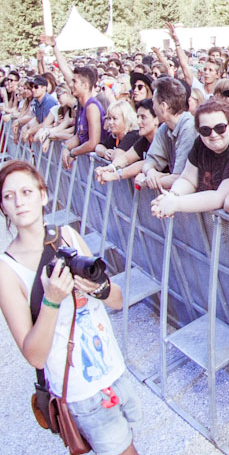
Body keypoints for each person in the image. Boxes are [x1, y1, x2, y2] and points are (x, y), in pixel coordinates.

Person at [0, 160, 141, 455]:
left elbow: (117, 299)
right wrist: (52, 299)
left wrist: (98, 288)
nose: (19, 201)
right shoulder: (7, 271)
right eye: (9, 196)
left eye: (26, 191)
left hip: (114, 370)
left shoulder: (68, 236)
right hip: (82, 391)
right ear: (3, 207)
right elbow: (35, 356)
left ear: (43, 195)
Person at [149, 98, 229, 219]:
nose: (213, 135)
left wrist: (175, 203)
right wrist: (172, 196)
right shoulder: (200, 143)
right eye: (205, 130)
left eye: (220, 128)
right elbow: (188, 179)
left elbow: (219, 197)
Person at [137, 77, 197, 193]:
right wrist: (151, 172)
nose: (153, 107)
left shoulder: (189, 128)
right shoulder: (164, 127)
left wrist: (145, 181)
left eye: (154, 103)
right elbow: (149, 162)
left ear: (163, 106)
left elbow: (180, 177)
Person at [62, 66, 104, 172]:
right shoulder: (83, 106)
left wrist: (73, 152)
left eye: (74, 82)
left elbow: (93, 142)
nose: (71, 85)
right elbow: (79, 135)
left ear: (85, 85)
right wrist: (66, 147)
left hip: (98, 167)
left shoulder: (92, 107)